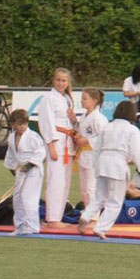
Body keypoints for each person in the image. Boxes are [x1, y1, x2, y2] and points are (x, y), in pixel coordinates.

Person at [84, 100, 140, 238]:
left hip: (102, 162)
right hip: (117, 164)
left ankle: (85, 216)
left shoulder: (107, 127)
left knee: (99, 197)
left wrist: (95, 164)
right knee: (115, 201)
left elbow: (97, 147)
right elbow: (138, 150)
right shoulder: (132, 129)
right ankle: (101, 228)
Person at [34, 67, 81, 221]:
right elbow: (46, 122)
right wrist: (51, 145)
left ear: (68, 83)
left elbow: (71, 123)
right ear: (53, 81)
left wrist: (74, 120)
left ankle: (58, 217)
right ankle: (52, 218)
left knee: (65, 183)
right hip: (57, 143)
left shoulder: (67, 99)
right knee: (55, 181)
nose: (61, 83)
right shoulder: (49, 98)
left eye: (64, 80)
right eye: (58, 80)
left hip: (68, 143)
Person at [3, 107, 46, 234]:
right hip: (21, 170)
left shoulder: (33, 136)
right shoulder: (11, 137)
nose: (23, 126)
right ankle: (20, 226)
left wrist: (28, 165)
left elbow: (41, 152)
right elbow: (11, 154)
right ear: (13, 124)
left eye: (25, 123)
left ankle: (33, 227)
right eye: (19, 124)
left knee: (28, 197)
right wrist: (12, 168)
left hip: (34, 169)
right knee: (17, 199)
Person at [75, 88, 108, 210]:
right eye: (82, 98)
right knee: (84, 189)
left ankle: (93, 216)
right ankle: (87, 213)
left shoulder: (99, 118)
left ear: (94, 101)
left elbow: (104, 138)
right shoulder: (84, 117)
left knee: (91, 188)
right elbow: (82, 132)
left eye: (85, 98)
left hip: (94, 157)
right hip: (83, 155)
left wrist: (87, 140)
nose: (82, 101)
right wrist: (78, 136)